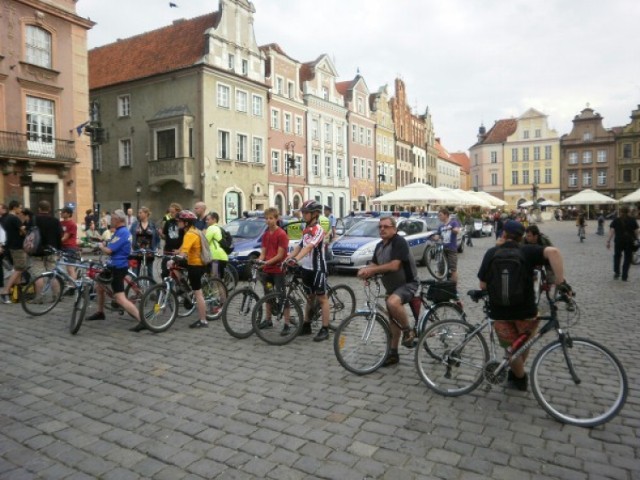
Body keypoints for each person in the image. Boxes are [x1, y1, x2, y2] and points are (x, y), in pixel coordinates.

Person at [477, 220, 569, 391]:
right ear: (521, 237)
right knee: (523, 343)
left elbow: (482, 285)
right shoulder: (527, 250)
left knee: (512, 348)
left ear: (503, 234)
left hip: (499, 311)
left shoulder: (492, 252)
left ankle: (518, 376)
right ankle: (519, 376)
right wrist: (560, 282)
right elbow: (554, 252)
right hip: (526, 310)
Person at [357, 215, 420, 366]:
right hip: (392, 287)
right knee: (392, 320)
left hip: (409, 284)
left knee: (392, 303)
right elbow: (374, 263)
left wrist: (372, 270)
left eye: (386, 226)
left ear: (394, 229)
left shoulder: (399, 242)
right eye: (380, 227)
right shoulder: (380, 246)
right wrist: (365, 271)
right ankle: (393, 353)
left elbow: (394, 266)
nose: (382, 229)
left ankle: (408, 331)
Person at [86, 209, 144, 331]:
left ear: (118, 220)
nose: (110, 221)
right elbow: (112, 245)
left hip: (118, 267)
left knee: (120, 298)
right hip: (112, 265)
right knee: (99, 286)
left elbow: (109, 250)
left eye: (112, 219)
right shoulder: (119, 232)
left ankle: (142, 320)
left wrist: (101, 246)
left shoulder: (122, 232)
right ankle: (100, 312)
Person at [285, 200, 331, 342]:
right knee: (310, 298)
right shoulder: (305, 229)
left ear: (315, 214)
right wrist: (287, 258)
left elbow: (309, 247)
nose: (303, 215)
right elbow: (300, 245)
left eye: (306, 213)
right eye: (303, 212)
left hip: (318, 269)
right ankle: (306, 325)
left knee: (322, 299)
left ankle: (325, 328)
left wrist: (296, 259)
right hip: (306, 269)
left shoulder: (319, 230)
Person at [256, 207, 290, 333]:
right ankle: (268, 319)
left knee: (282, 296)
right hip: (268, 270)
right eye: (266, 218)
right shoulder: (265, 235)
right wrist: (260, 260)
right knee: (268, 295)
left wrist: (266, 262)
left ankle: (287, 324)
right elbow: (263, 252)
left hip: (278, 270)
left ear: (276, 219)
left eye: (271, 218)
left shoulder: (281, 234)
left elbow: (280, 255)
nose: (268, 221)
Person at [172, 210, 209, 329]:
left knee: (198, 293)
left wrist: (175, 258)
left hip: (196, 265)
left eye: (180, 221)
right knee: (174, 268)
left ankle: (203, 321)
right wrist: (175, 253)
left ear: (186, 222)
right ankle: (187, 289)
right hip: (192, 263)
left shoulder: (190, 234)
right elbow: (183, 249)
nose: (178, 223)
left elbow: (184, 252)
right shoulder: (191, 231)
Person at [0, 201, 26, 303]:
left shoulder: (4, 219)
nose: (21, 210)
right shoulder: (14, 218)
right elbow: (23, 231)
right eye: (19, 208)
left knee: (16, 269)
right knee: (19, 268)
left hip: (8, 247)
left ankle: (16, 295)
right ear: (14, 208)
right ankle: (6, 291)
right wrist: (25, 232)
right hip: (17, 247)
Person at [606, 206, 639, 281]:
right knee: (627, 258)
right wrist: (636, 239)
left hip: (619, 241)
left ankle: (617, 273)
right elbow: (636, 231)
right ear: (628, 211)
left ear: (620, 212)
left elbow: (612, 231)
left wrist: (608, 241)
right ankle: (624, 276)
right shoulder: (632, 220)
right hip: (629, 241)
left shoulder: (616, 220)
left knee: (617, 256)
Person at [432, 208, 461, 284]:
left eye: (440, 215)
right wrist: (435, 237)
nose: (439, 217)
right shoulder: (440, 226)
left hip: (451, 249)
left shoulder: (453, 223)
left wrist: (451, 229)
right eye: (438, 215)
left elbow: (457, 231)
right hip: (442, 249)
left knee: (453, 269)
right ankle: (440, 285)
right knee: (441, 268)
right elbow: (438, 236)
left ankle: (454, 287)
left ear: (446, 215)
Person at [130, 206, 160, 278]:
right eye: (138, 213)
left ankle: (151, 288)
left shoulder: (152, 225)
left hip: (149, 251)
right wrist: (130, 247)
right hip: (137, 251)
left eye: (140, 213)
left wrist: (157, 248)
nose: (139, 214)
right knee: (135, 273)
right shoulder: (135, 224)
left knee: (150, 272)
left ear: (146, 214)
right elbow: (129, 236)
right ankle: (135, 287)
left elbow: (157, 237)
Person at [160, 203, 184, 278]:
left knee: (177, 271)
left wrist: (180, 250)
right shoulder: (168, 222)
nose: (171, 214)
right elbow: (165, 236)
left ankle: (179, 287)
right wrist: (160, 234)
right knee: (165, 271)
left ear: (178, 211)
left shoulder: (182, 223)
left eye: (172, 212)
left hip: (178, 250)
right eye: (170, 212)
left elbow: (186, 238)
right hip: (168, 250)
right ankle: (165, 287)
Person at [204, 211, 228, 281]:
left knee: (216, 280)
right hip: (222, 256)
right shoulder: (219, 228)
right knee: (219, 280)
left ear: (214, 220)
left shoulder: (211, 228)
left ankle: (220, 292)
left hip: (216, 257)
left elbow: (205, 242)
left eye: (208, 219)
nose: (206, 221)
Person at [60, 206, 79, 279]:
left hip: (70, 247)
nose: (61, 213)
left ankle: (73, 286)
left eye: (63, 212)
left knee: (70, 268)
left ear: (68, 214)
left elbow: (65, 237)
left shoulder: (72, 224)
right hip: (62, 247)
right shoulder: (60, 223)